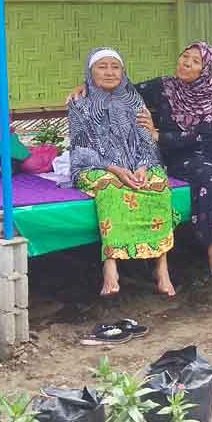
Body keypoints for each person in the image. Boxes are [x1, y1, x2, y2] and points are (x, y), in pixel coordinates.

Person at [68, 42, 212, 286]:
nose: (186, 63)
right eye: (185, 57)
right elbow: (122, 86)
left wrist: (158, 136)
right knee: (209, 176)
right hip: (181, 154)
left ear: (205, 69)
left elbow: (203, 135)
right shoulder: (163, 86)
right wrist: (85, 85)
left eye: (195, 61)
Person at [68, 48, 179, 298]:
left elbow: (146, 139)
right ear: (91, 71)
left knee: (158, 183)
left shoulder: (134, 100)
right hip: (96, 166)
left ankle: (161, 269)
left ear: (123, 71)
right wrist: (114, 168)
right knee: (110, 187)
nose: (109, 72)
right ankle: (111, 266)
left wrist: (141, 166)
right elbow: (79, 146)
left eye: (115, 67)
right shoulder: (79, 103)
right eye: (102, 66)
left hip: (136, 163)